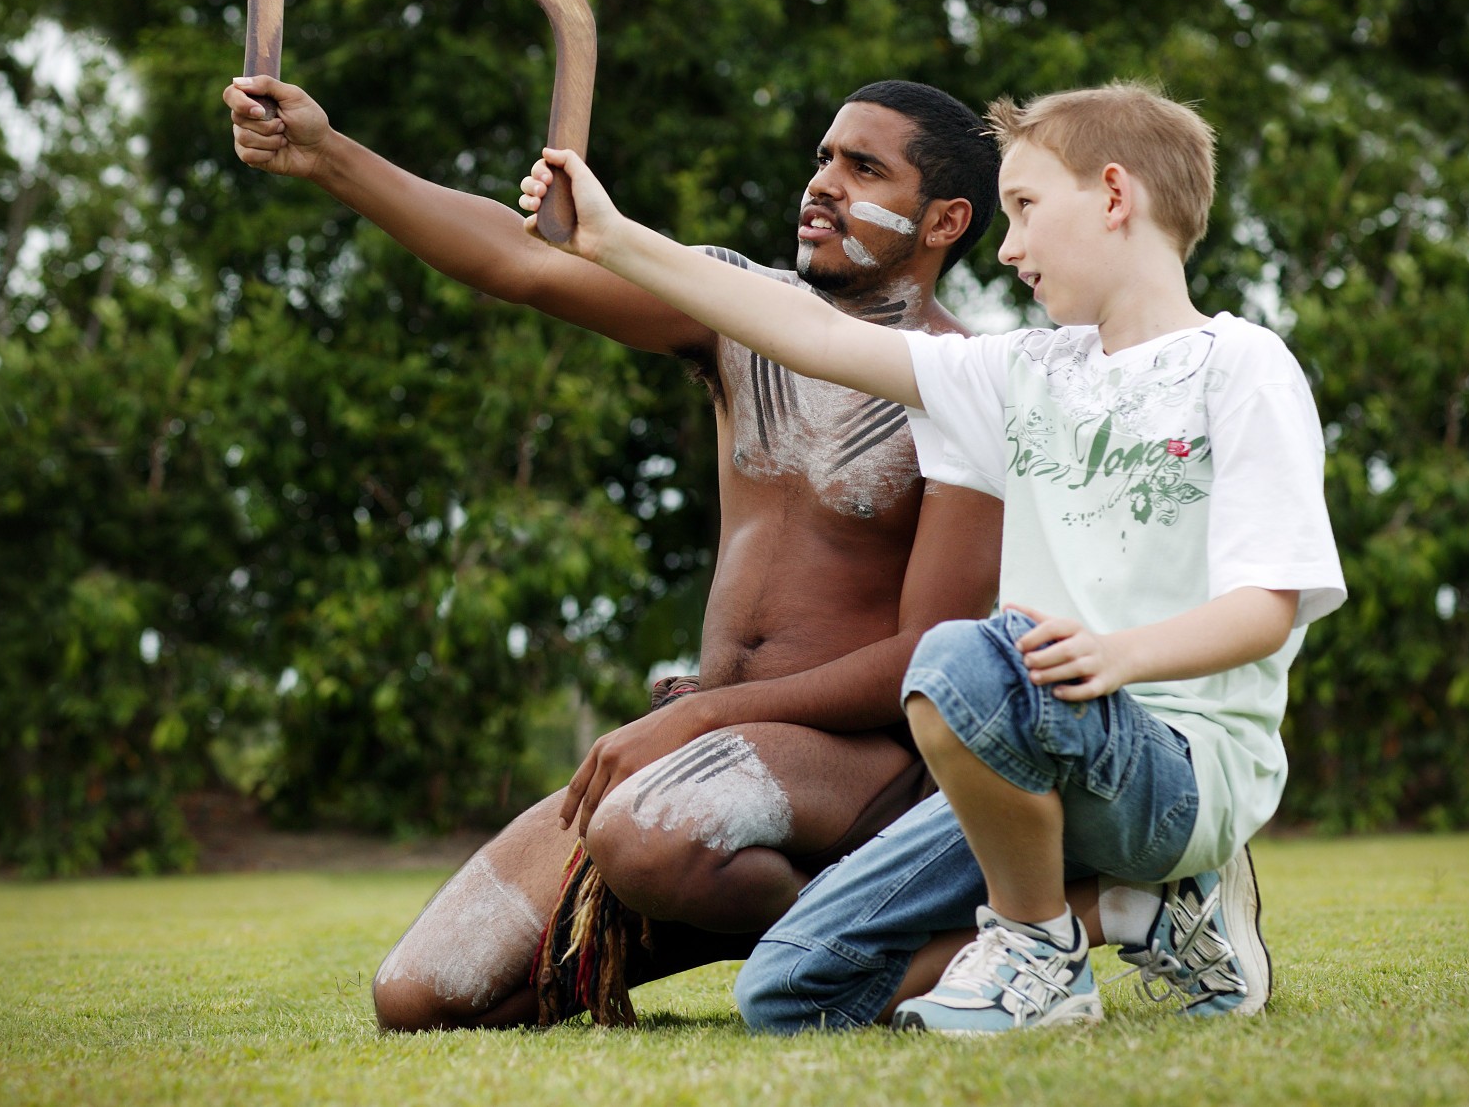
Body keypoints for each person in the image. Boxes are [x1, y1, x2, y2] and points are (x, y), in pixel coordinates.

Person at [516, 81, 1347, 1034]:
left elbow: (1266, 609)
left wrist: (1119, 657)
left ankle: (1040, 956)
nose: (1007, 246)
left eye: (1027, 209)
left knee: (960, 653)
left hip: (1175, 766)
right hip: (1024, 760)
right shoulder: (1020, 375)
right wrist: (614, 240)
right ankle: (1142, 913)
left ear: (1115, 197)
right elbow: (815, 334)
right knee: (786, 991)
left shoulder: (1239, 368)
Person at [223, 73, 1005, 1028]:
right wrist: (327, 156)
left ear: (944, 220)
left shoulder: (970, 386)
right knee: (419, 997)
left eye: (863, 167)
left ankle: (924, 952)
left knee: (643, 835)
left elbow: (937, 658)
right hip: (706, 771)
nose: (823, 184)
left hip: (861, 770)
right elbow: (523, 265)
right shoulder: (736, 311)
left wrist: (693, 723)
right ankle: (764, 913)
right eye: (823, 159)